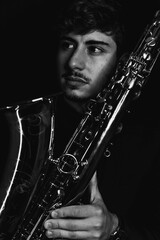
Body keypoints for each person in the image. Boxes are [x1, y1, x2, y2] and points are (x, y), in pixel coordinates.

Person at [42, 0, 160, 239]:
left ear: (123, 63)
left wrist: (114, 228)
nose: (74, 63)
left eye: (95, 49)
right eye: (67, 45)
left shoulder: (151, 140)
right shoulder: (33, 122)